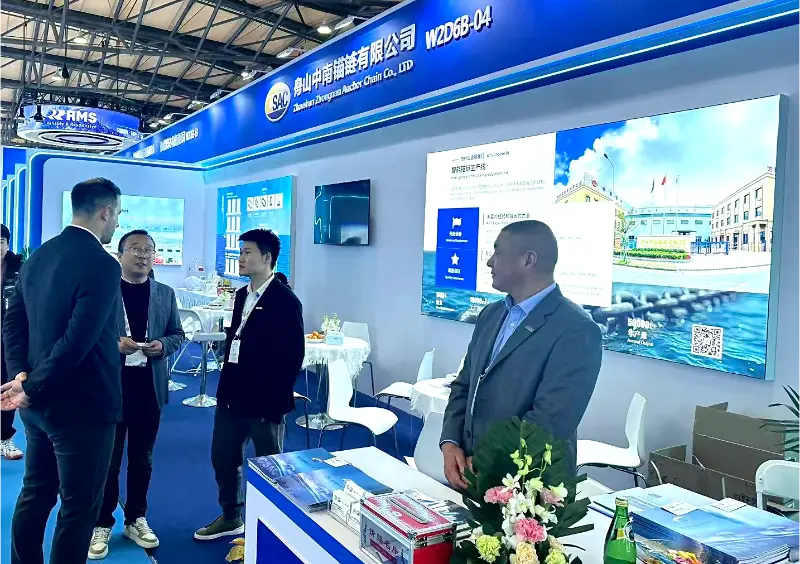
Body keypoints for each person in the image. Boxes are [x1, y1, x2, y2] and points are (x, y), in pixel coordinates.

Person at [1, 178, 123, 564]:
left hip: (38, 407)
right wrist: (30, 385)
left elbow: (13, 323)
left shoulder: (38, 256)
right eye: (117, 214)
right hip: (83, 408)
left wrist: (21, 377)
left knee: (36, 493)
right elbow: (78, 340)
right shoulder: (103, 263)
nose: (117, 223)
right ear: (105, 211)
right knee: (79, 506)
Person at [440, 220, 602, 489]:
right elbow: (464, 385)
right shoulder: (491, 315)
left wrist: (488, 461)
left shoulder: (577, 329)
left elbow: (551, 420)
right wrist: (450, 443)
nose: (489, 262)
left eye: (497, 252)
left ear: (528, 260)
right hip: (470, 475)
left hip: (529, 489)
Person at [194, 229, 304, 541]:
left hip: (264, 402)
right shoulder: (242, 295)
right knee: (223, 459)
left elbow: (293, 357)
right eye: (240, 252)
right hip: (232, 396)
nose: (240, 258)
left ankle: (276, 527)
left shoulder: (285, 301)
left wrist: (275, 404)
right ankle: (231, 516)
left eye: (247, 252)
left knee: (271, 466)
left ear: (267, 258)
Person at [88, 230, 184, 560]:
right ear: (120, 255)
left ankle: (136, 518)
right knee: (108, 461)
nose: (143, 255)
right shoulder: (104, 291)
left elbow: (177, 334)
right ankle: (102, 522)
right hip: (111, 388)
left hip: (148, 389)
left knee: (142, 460)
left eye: (148, 250)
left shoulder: (165, 293)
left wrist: (162, 345)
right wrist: (114, 344)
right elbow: (88, 335)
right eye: (135, 249)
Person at [0, 223, 24, 460]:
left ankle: (5, 438)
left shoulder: (20, 268)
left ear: (7, 244)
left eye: (0, 242)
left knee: (6, 386)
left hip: (10, 337)